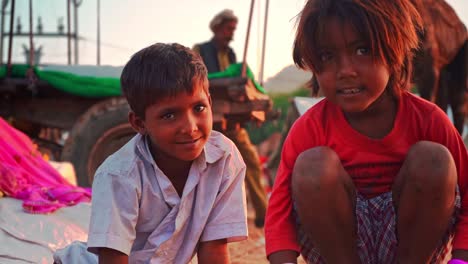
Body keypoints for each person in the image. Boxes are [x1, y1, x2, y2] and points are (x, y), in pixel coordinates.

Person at [264, 0, 468, 263]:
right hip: (338, 247)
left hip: (415, 246)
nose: (345, 71)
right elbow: (279, 214)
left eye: (363, 50)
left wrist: (461, 260)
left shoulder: (429, 120)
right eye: (327, 56)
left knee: (434, 160)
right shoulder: (310, 127)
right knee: (313, 166)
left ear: (394, 50)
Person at [54, 43, 248, 264]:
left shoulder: (224, 159)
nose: (190, 127)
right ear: (139, 123)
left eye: (199, 108)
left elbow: (214, 250)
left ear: (210, 103)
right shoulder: (118, 175)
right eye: (169, 116)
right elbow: (113, 259)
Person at [193, 9, 268, 228]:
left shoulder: (234, 56)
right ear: (217, 28)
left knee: (251, 163)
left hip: (232, 122)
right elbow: (196, 77)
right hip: (208, 120)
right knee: (204, 168)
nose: (232, 33)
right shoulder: (200, 50)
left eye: (234, 29)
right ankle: (202, 218)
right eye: (229, 29)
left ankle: (264, 216)